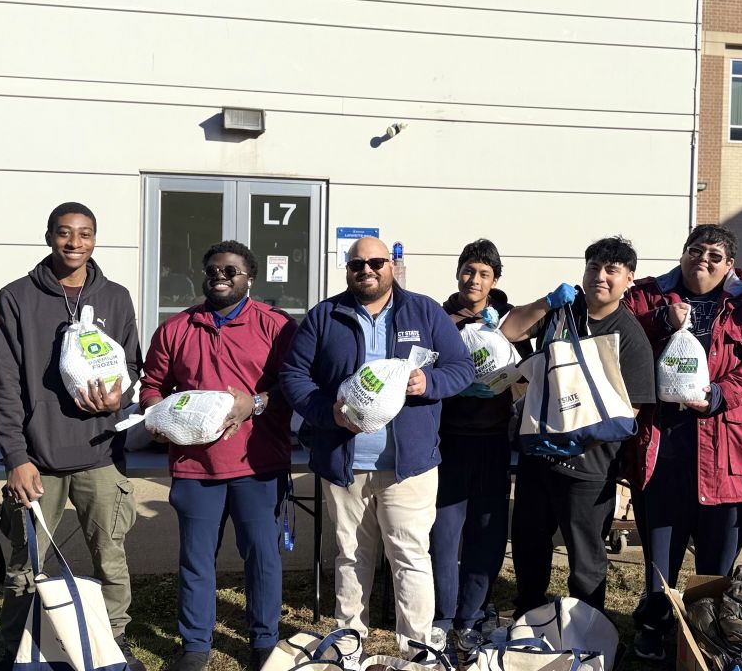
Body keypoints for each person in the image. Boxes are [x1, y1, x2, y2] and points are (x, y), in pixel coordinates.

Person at [279, 237, 475, 666]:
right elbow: (293, 375)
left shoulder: (424, 311)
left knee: (410, 557)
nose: (366, 270)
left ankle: (419, 649)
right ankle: (349, 643)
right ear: (348, 269)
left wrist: (429, 383)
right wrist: (327, 412)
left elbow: (462, 367)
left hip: (409, 467)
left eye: (376, 262)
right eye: (357, 264)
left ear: (391, 266)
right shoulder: (325, 315)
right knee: (351, 556)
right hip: (345, 464)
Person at [622, 224, 742, 659]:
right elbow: (618, 332)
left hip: (728, 449)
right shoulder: (649, 296)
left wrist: (721, 394)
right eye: (696, 251)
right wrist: (661, 321)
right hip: (663, 447)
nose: (704, 260)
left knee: (717, 559)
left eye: (715, 256)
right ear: (682, 254)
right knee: (660, 554)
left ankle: (703, 633)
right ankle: (655, 624)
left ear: (729, 264)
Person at [0, 202, 144, 671]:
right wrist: (16, 456)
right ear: (49, 237)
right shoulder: (17, 297)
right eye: (64, 232)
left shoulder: (115, 297)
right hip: (38, 459)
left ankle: (112, 643)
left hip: (101, 455)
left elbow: (131, 364)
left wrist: (119, 397)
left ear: (95, 239)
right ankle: (17, 649)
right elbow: (6, 384)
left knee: (110, 558)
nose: (75, 242)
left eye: (85, 233)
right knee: (25, 565)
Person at [140, 240, 298, 671]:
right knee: (196, 559)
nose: (220, 277)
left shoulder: (276, 326)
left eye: (230, 271)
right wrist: (156, 415)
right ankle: (195, 645)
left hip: (258, 463)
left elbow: (295, 385)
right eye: (212, 270)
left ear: (250, 278)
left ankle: (264, 641)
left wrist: (257, 402)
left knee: (262, 557)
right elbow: (153, 385)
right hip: (195, 467)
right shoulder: (176, 328)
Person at [500, 236, 655, 617]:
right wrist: (546, 302)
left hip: (589, 465)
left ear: (629, 279)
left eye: (611, 270)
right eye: (593, 268)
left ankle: (587, 624)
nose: (600, 276)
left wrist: (580, 436)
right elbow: (510, 332)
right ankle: (529, 614)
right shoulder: (561, 311)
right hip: (539, 454)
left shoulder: (629, 335)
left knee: (585, 554)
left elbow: (633, 407)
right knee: (529, 541)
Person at [431, 239, 530, 658]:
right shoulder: (439, 319)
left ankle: (471, 617)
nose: (474, 279)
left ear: (495, 280)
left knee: (486, 534)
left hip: (492, 442)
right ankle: (441, 618)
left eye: (484, 274)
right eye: (468, 271)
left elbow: (525, 376)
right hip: (448, 442)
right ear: (458, 273)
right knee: (443, 535)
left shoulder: (508, 320)